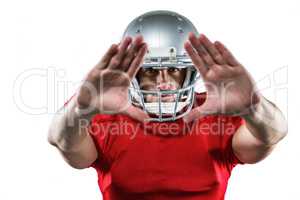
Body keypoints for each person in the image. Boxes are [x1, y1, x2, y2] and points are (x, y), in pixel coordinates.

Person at [48, 10, 287, 200]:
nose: (163, 83)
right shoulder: (105, 116)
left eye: (173, 69)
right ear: (132, 75)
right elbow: (64, 144)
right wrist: (82, 110)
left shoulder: (217, 114)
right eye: (150, 71)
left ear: (190, 73)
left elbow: (272, 135)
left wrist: (253, 107)